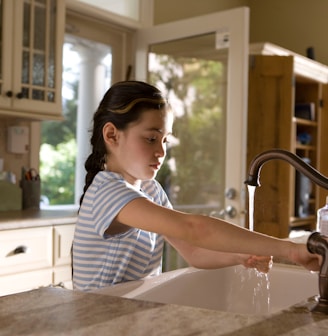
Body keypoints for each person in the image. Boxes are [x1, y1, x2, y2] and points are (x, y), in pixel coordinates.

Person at [72, 80, 321, 291]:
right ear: (112, 135)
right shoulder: (106, 192)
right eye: (150, 138)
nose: (161, 151)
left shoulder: (150, 190)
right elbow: (194, 229)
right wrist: (289, 249)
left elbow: (194, 250)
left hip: (129, 318)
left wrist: (241, 255)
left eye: (165, 140)